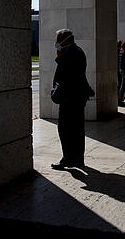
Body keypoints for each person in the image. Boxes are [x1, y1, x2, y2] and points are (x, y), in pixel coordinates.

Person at [51, 29, 89, 169]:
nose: (56, 42)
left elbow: (67, 75)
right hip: (77, 97)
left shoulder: (69, 53)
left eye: (58, 38)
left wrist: (59, 57)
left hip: (70, 98)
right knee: (77, 129)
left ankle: (68, 158)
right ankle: (78, 159)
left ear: (65, 40)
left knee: (65, 128)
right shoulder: (78, 51)